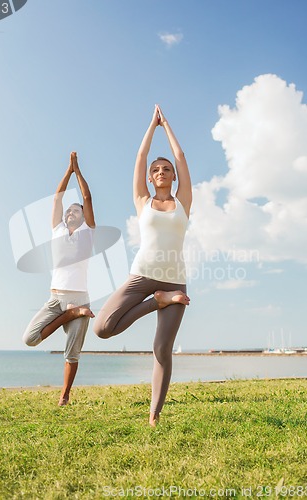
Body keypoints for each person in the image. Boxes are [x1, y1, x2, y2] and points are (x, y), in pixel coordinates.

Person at [93, 105, 192, 426]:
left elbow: (182, 158)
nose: (162, 171)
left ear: (173, 176)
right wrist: (152, 126)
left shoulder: (182, 202)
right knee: (103, 328)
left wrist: (169, 127)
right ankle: (157, 303)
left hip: (175, 280)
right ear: (150, 178)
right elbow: (139, 157)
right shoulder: (142, 200)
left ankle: (153, 416)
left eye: (166, 169)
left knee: (162, 349)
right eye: (156, 170)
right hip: (142, 276)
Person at [23, 152, 95, 406]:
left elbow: (86, 197)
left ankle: (64, 396)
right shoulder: (57, 231)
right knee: (30, 338)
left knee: (71, 353)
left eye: (76, 211)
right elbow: (57, 198)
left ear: (84, 216)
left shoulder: (88, 233)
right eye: (68, 212)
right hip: (56, 299)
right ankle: (71, 315)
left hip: (79, 298)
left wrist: (78, 171)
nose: (70, 213)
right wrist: (68, 171)